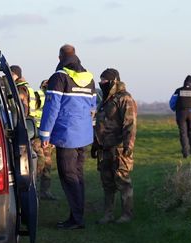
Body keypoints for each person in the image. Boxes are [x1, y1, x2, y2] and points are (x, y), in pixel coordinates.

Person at [39, 44, 96, 230]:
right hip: (84, 135)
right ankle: (77, 214)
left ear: (59, 58)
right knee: (78, 176)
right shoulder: (89, 78)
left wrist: (45, 133)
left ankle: (77, 219)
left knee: (68, 176)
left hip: (66, 135)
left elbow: (52, 107)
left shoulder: (59, 77)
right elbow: (92, 107)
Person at [91, 68, 137, 224]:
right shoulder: (106, 100)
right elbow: (100, 123)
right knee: (107, 183)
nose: (102, 83)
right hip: (104, 149)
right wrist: (96, 144)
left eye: (105, 81)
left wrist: (128, 146)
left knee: (123, 181)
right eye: (101, 80)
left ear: (114, 81)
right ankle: (108, 214)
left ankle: (127, 214)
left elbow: (130, 124)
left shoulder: (125, 99)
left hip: (119, 149)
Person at [32, 80, 56, 200]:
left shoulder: (52, 97)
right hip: (37, 134)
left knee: (47, 163)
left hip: (48, 135)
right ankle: (34, 191)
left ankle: (45, 192)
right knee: (39, 163)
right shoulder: (38, 95)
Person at [169, 75, 191, 158]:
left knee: (183, 133)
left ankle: (185, 154)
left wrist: (175, 109)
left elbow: (172, 103)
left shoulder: (178, 91)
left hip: (181, 113)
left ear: (184, 82)